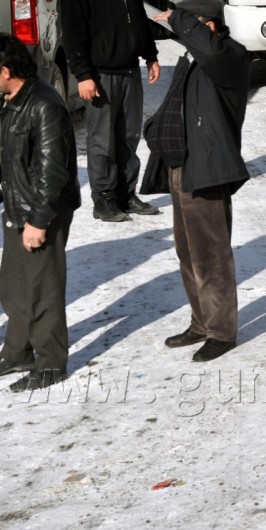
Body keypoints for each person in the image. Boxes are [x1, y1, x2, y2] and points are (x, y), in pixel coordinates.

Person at [150, 0, 250, 362]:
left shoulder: (230, 57)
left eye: (189, 22)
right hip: (182, 165)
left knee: (211, 254)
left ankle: (222, 331)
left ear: (207, 24)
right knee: (188, 251)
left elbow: (209, 50)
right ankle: (201, 321)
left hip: (208, 168)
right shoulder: (194, 57)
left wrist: (179, 18)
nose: (181, 29)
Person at [0, 34, 82, 392]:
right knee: (15, 285)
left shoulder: (45, 105)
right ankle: (17, 351)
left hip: (42, 212)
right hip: (17, 206)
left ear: (5, 71)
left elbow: (52, 173)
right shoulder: (10, 101)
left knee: (43, 289)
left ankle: (51, 363)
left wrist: (38, 222)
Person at [62, 0, 161, 222]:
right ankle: (104, 198)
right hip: (99, 75)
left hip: (130, 71)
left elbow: (139, 22)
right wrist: (84, 74)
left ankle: (126, 194)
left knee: (129, 136)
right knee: (102, 140)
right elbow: (72, 33)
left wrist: (151, 55)